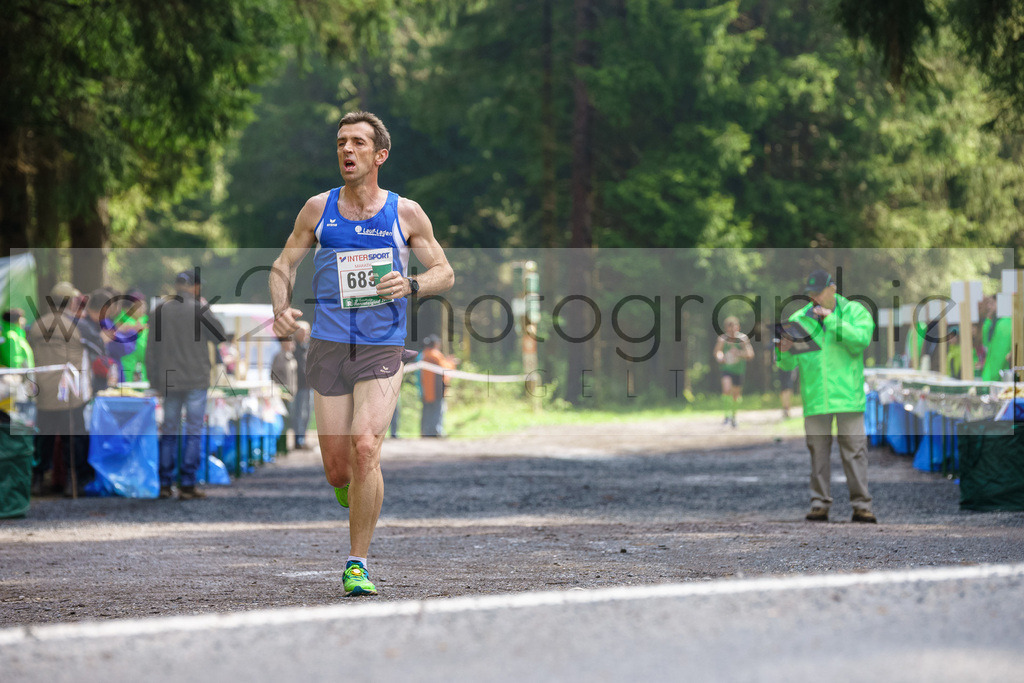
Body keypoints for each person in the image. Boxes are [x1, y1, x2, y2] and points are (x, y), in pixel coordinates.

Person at [269, 110, 454, 597]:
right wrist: (281, 309)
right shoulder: (317, 209)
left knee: (367, 446)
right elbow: (283, 264)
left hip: (382, 346)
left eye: (357, 143)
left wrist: (411, 283)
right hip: (329, 346)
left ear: (379, 155)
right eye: (340, 143)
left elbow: (445, 272)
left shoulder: (406, 212)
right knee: (338, 467)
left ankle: (357, 563)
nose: (347, 151)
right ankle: (354, 493)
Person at [777, 269, 877, 524]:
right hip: (816, 397)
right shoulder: (799, 319)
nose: (814, 298)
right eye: (810, 293)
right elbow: (788, 366)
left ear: (832, 289)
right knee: (817, 453)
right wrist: (784, 351)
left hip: (847, 396)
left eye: (818, 292)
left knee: (855, 452)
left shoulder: (855, 311)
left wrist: (831, 319)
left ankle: (861, 506)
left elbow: (861, 340)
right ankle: (819, 504)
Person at [146, 270, 227, 500]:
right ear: (194, 287)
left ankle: (164, 483)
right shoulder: (199, 308)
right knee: (193, 431)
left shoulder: (159, 310)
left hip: (168, 380)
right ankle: (188, 484)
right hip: (195, 379)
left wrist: (155, 381)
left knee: (169, 431)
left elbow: (151, 349)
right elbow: (220, 335)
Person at [27, 281, 99, 496]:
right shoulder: (79, 326)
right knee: (73, 439)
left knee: (44, 439)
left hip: (44, 394)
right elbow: (100, 348)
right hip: (71, 394)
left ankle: (37, 480)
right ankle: (72, 483)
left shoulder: (37, 325)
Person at [713, 316, 754, 427]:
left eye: (734, 328)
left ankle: (734, 417)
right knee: (726, 389)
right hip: (726, 369)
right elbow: (718, 352)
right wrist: (720, 357)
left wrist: (739, 353)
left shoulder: (742, 339)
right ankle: (727, 416)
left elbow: (750, 354)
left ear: (738, 327)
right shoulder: (722, 339)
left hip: (739, 370)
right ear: (726, 328)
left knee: (736, 395)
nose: (731, 331)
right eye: (729, 328)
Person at [418, 334, 457, 437]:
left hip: (426, 389)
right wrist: (451, 362)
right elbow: (445, 367)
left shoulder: (424, 354)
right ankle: (436, 431)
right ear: (435, 344)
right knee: (437, 410)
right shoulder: (435, 354)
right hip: (436, 388)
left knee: (427, 411)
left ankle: (426, 432)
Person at [291, 321, 313, 449]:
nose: (306, 335)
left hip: (308, 386)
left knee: (307, 414)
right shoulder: (293, 348)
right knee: (298, 414)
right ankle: (298, 441)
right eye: (303, 332)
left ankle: (303, 438)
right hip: (298, 387)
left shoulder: (308, 347)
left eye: (307, 332)